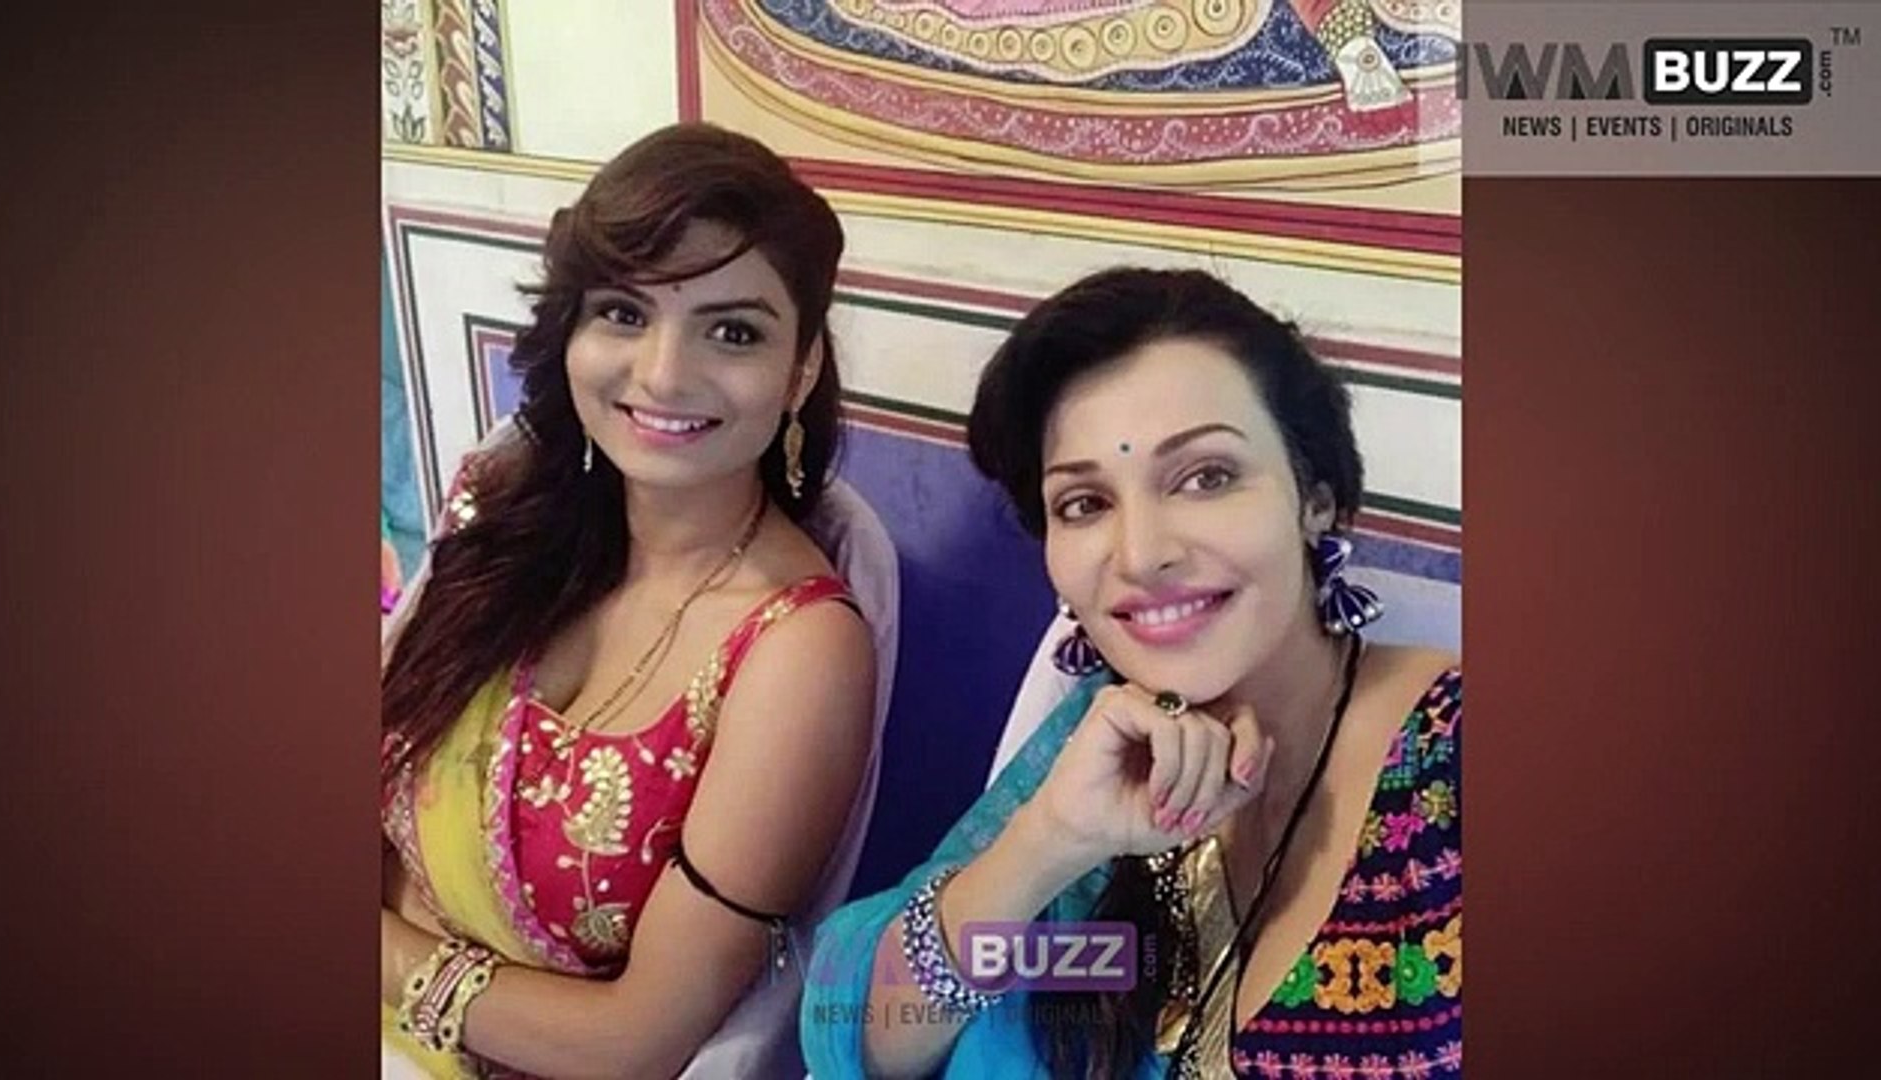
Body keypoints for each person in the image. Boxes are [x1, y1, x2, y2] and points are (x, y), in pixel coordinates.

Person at [803, 268, 1461, 1078]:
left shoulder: (1466, 756)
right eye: (1084, 503)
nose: (1142, 555)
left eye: (1206, 477)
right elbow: (860, 1030)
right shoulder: (1097, 741)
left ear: (1314, 498)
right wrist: (1050, 843)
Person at [380, 123, 878, 1080]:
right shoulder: (508, 513)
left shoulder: (798, 650)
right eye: (623, 312)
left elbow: (639, 1040)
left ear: (802, 368)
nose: (662, 375)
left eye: (733, 331)